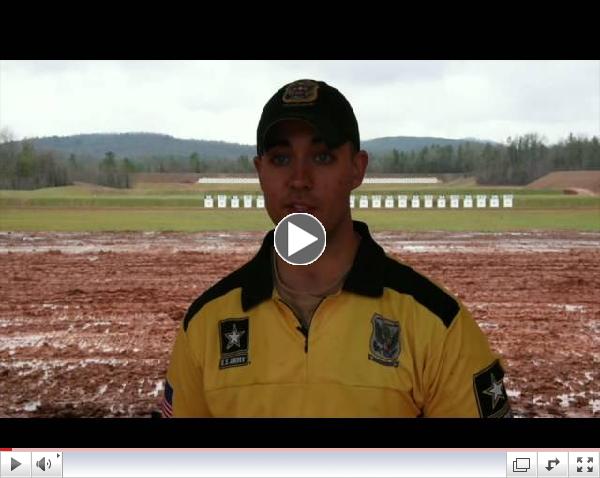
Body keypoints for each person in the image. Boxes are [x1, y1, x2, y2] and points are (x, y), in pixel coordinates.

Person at [162, 78, 511, 417]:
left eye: (322, 157)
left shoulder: (435, 320)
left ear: (356, 169)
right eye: (281, 159)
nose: (299, 179)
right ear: (260, 172)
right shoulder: (206, 323)